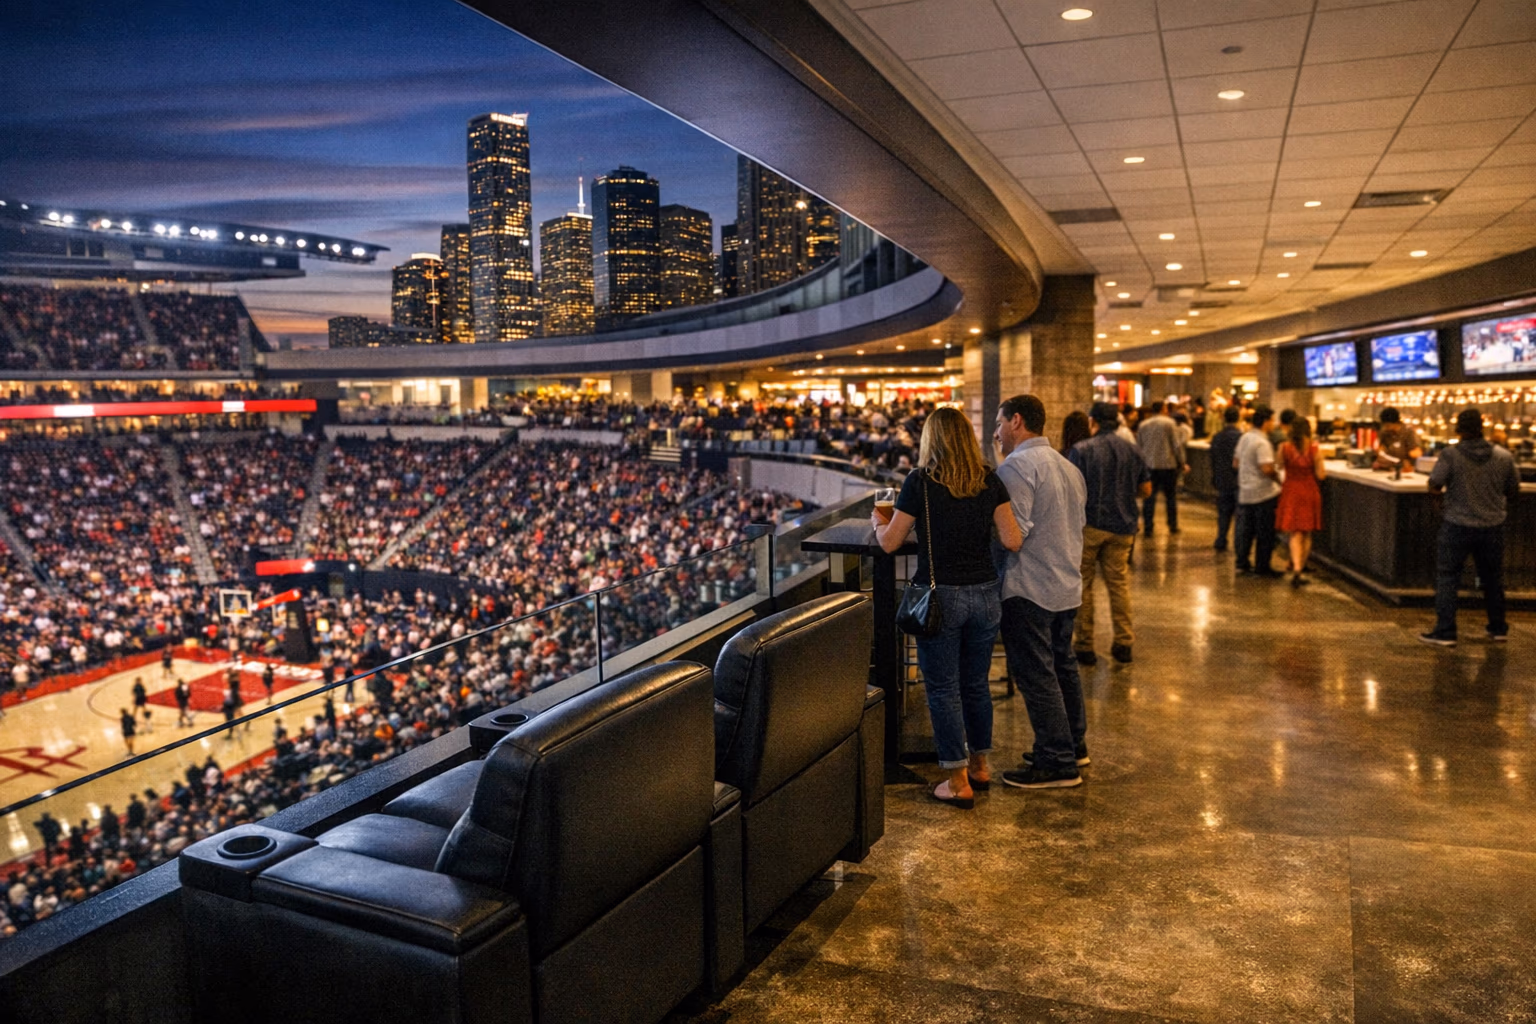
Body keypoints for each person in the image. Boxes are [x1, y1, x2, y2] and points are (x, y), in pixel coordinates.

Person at [873, 407, 1021, 809]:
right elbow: (1012, 538)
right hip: (986, 594)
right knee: (975, 684)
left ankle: (956, 783)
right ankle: (979, 766)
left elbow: (889, 542)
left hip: (941, 597)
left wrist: (876, 521)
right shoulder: (989, 479)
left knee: (942, 688)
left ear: (930, 440)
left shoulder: (920, 482)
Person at [991, 395, 1089, 789]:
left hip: (1030, 586)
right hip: (1065, 584)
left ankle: (1056, 760)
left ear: (1016, 421)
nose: (996, 433)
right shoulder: (1067, 467)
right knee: (1063, 667)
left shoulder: (1017, 467)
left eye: (999, 424)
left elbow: (1012, 537)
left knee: (1037, 674)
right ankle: (1073, 745)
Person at [1420, 408, 1520, 647]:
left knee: (1448, 577)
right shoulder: (1504, 456)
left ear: (1459, 430)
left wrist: (1440, 508)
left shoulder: (1450, 455)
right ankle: (1498, 628)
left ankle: (1445, 632)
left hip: (1457, 524)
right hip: (1492, 526)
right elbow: (1513, 489)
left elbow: (1435, 484)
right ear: (1482, 428)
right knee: (1492, 579)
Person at [1069, 402, 1151, 666]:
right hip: (1124, 528)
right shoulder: (1133, 450)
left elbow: (1073, 491)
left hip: (1090, 526)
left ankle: (1084, 646)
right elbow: (1146, 490)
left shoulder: (1081, 450)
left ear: (1093, 421)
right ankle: (1124, 642)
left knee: (1084, 584)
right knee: (1119, 584)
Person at [1276, 415, 1326, 586]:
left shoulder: (1284, 447)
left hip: (1291, 490)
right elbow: (1321, 474)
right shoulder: (1314, 449)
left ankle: (1296, 567)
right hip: (1309, 491)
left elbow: (1280, 466)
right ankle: (1300, 568)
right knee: (1306, 532)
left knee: (1294, 533)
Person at [1234, 406, 1282, 579]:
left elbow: (1235, 463)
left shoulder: (1244, 437)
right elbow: (1267, 468)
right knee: (1265, 533)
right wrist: (1279, 479)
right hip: (1263, 493)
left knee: (1245, 531)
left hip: (1245, 491)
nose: (1274, 424)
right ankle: (1262, 567)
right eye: (1272, 420)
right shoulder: (1262, 443)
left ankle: (1242, 563)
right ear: (1265, 422)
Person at [1135, 400, 1185, 534]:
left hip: (1149, 465)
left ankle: (1148, 527)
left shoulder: (1143, 425)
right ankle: (1172, 525)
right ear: (1163, 409)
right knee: (1170, 496)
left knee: (1149, 497)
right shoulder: (1169, 423)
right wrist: (1182, 462)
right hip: (1168, 465)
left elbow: (1139, 446)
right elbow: (1176, 445)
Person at [1209, 407, 1243, 553]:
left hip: (1222, 478)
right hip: (1237, 480)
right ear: (1238, 418)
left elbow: (1213, 458)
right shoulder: (1241, 437)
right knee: (1239, 515)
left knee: (1223, 512)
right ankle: (1238, 543)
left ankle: (1221, 539)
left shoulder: (1217, 437)